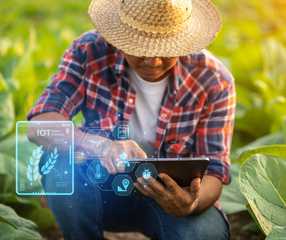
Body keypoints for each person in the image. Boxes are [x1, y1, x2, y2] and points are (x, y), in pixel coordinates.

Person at [27, 0, 235, 239]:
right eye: (141, 47)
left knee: (207, 233)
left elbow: (215, 172)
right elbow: (39, 125)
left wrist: (190, 205)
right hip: (98, 185)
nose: (153, 61)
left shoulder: (214, 80)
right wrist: (101, 145)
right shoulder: (89, 51)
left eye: (165, 49)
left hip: (168, 196)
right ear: (121, 36)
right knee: (58, 164)